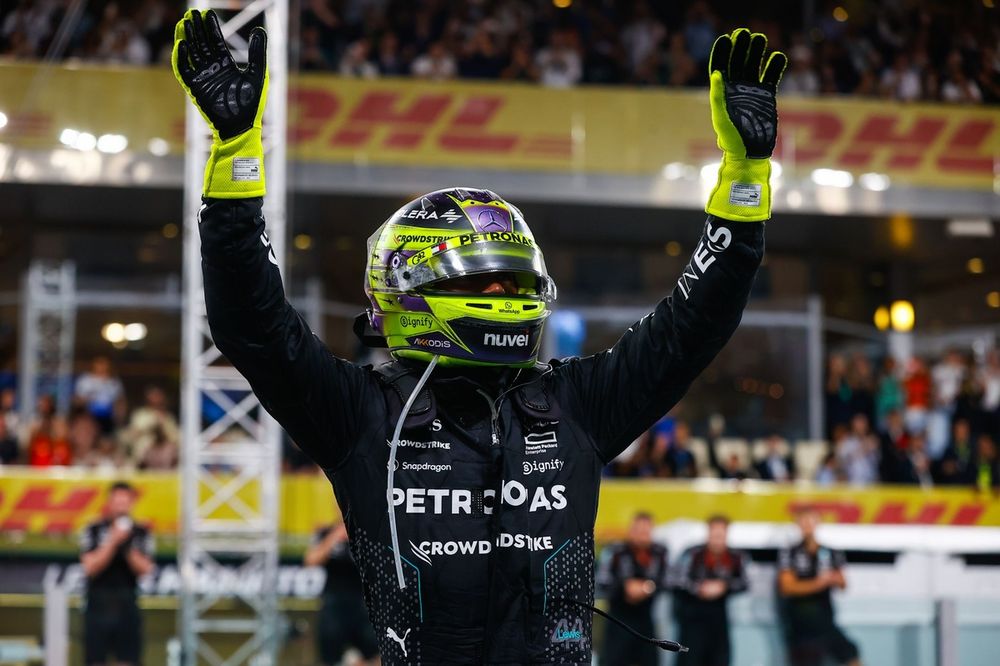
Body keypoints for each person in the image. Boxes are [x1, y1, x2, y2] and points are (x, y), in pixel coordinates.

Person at [172, 13, 784, 663]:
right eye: (491, 284)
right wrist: (237, 154)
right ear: (414, 282)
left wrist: (744, 180)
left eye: (518, 285)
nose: (509, 301)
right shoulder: (360, 415)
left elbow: (693, 329)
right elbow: (252, 327)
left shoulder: (576, 404)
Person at [79, 481, 155, 666]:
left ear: (131, 503)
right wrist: (113, 541)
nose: (121, 506)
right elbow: (90, 567)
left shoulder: (141, 531)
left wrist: (127, 546)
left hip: (127, 606)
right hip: (98, 606)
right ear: (109, 502)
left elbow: (146, 569)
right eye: (117, 501)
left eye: (125, 502)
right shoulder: (93, 529)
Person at [778, 506, 861, 666]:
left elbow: (843, 583)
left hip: (825, 620)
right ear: (797, 524)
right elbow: (787, 587)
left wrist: (834, 579)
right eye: (803, 521)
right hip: (800, 623)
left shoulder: (830, 552)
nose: (807, 524)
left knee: (852, 655)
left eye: (811, 520)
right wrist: (818, 583)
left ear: (818, 523)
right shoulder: (790, 552)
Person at [672, 515, 750, 666]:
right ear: (708, 533)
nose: (717, 539)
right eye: (714, 534)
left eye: (721, 535)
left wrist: (723, 586)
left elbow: (744, 583)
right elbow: (675, 580)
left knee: (720, 660)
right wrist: (699, 588)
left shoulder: (735, 557)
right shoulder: (692, 554)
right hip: (692, 620)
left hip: (719, 621)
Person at [596, 513, 670, 666]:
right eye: (639, 531)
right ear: (631, 531)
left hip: (646, 621)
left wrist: (647, 588)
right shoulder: (615, 552)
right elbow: (601, 582)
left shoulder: (659, 553)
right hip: (618, 620)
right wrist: (624, 587)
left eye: (646, 532)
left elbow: (669, 580)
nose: (643, 536)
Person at [305, 521, 379, 666]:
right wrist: (334, 537)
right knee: (330, 655)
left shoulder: (369, 529)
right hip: (334, 604)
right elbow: (311, 560)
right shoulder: (326, 532)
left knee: (375, 654)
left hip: (363, 604)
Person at [74, 356, 125, 433]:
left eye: (104, 363)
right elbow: (77, 400)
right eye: (99, 363)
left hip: (108, 417)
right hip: (88, 416)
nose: (102, 366)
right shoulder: (85, 380)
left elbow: (120, 401)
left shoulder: (114, 381)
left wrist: (119, 418)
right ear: (94, 364)